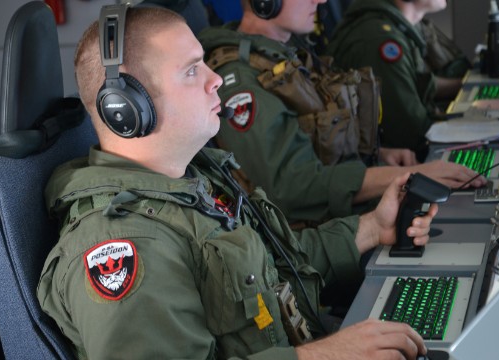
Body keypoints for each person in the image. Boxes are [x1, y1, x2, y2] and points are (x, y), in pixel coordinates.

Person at [37, 5, 436, 359]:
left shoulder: (194, 178)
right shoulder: (126, 246)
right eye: (193, 70)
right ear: (126, 110)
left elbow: (274, 268)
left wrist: (373, 227)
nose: (216, 80)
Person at [197, 0, 485, 225]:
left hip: (347, 218)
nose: (321, 1)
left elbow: (312, 137)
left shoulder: (284, 55)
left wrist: (382, 156)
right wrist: (409, 174)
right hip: (316, 245)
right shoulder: (240, 80)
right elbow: (292, 187)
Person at [326, 0, 465, 159]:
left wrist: (463, 87)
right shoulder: (380, 38)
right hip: (400, 158)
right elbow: (412, 133)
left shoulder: (400, 26)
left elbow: (418, 83)